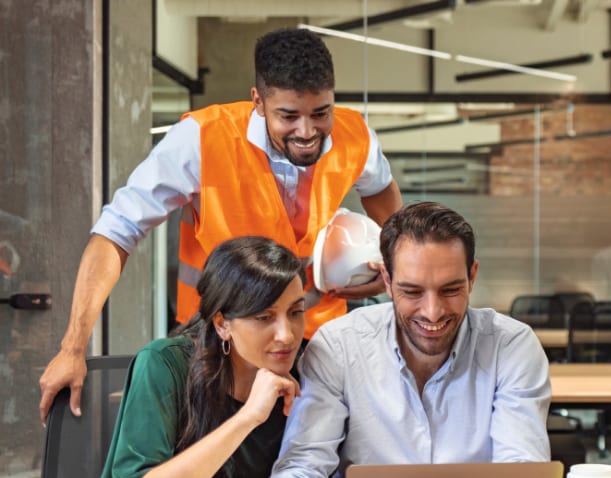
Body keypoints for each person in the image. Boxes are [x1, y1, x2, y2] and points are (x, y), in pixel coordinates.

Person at [39, 27, 403, 423]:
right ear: (258, 102)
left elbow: (381, 190)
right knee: (215, 468)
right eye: (288, 115)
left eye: (320, 113)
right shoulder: (201, 139)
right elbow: (116, 232)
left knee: (316, 467)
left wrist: (394, 264)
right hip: (218, 345)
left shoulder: (356, 137)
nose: (307, 131)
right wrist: (73, 346)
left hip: (317, 342)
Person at [259, 201, 552, 478]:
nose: (432, 312)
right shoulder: (338, 347)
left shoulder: (511, 346)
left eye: (450, 290)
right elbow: (303, 465)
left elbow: (521, 477)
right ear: (386, 280)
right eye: (412, 292)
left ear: (472, 276)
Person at [97, 236, 305, 478]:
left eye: (296, 312)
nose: (287, 335)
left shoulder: (309, 371)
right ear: (222, 324)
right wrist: (248, 417)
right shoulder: (164, 364)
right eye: (263, 317)